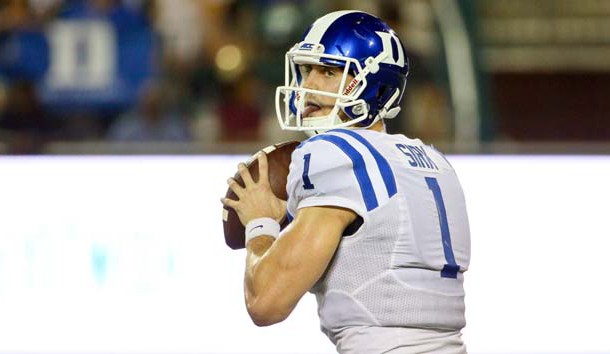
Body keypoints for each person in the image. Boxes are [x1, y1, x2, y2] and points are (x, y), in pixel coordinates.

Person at [221, 10, 471, 354]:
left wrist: (260, 224)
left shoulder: (333, 153)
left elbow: (266, 302)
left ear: (373, 82)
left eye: (328, 71)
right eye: (307, 70)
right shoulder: (432, 160)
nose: (308, 85)